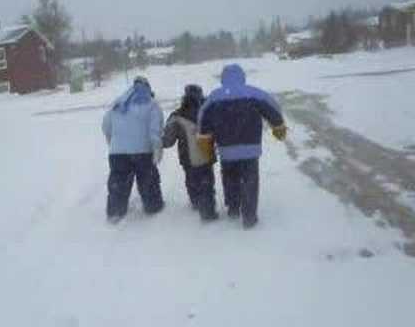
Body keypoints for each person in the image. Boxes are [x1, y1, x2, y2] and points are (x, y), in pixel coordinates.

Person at [198, 64, 287, 229]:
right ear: (242, 77)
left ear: (223, 78)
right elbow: (273, 108)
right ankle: (249, 217)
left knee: (230, 179)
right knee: (250, 182)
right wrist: (279, 128)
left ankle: (233, 207)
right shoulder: (254, 93)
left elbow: (203, 120)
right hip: (250, 149)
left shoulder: (214, 97)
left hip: (226, 150)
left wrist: (205, 144)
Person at [102, 76, 165, 223]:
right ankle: (152, 206)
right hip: (143, 151)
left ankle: (115, 211)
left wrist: (113, 142)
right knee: (147, 180)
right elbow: (155, 131)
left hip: (117, 152)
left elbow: (106, 125)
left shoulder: (118, 103)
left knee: (118, 180)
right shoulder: (151, 104)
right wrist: (157, 149)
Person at [163, 84, 219, 222]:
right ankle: (208, 211)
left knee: (191, 179)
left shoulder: (177, 115)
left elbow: (168, 141)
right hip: (206, 154)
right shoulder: (209, 112)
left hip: (187, 156)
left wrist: (160, 141)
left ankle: (195, 201)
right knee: (207, 181)